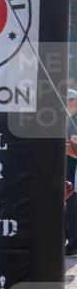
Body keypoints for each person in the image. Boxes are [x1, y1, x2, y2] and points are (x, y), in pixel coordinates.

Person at [65, 90, 77, 257]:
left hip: (74, 170)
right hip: (68, 169)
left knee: (73, 208)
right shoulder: (68, 120)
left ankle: (74, 245)